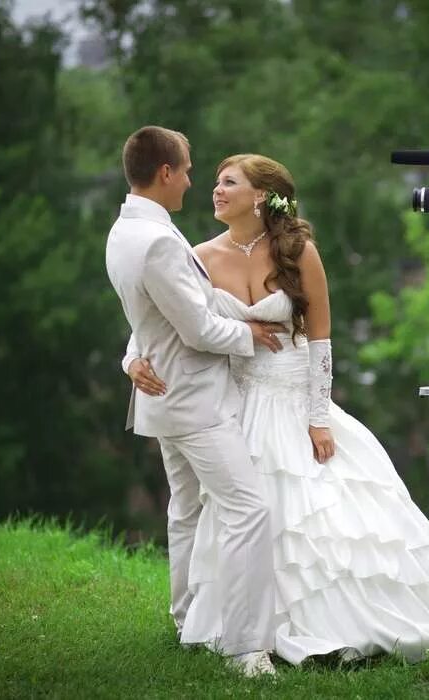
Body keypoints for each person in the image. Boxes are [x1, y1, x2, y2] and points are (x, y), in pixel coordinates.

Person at [125, 153, 429, 665]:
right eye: (213, 180)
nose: (215, 189)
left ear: (260, 196)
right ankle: (241, 628)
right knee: (245, 513)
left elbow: (321, 340)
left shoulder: (299, 252)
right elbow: (154, 314)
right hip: (233, 403)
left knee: (319, 511)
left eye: (228, 182)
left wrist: (318, 417)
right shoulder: (200, 256)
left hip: (295, 396)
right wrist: (131, 360)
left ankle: (338, 626)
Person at [105, 126, 288, 677]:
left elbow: (150, 314)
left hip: (165, 397)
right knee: (247, 510)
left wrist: (130, 359)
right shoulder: (160, 240)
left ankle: (187, 618)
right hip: (192, 402)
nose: (191, 179)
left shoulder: (124, 229)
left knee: (186, 510)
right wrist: (250, 337)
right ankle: (244, 648)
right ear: (165, 172)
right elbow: (196, 327)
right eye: (186, 169)